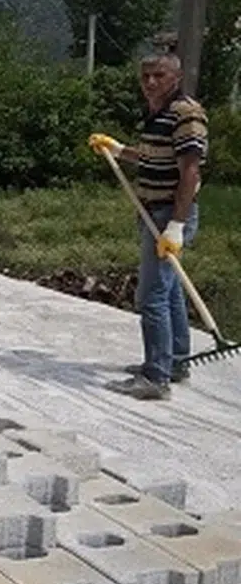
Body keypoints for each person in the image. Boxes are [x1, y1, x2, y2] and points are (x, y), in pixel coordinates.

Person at [89, 52, 209, 400]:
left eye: (159, 75)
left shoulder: (186, 114)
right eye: (145, 77)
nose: (151, 82)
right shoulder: (157, 113)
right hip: (152, 211)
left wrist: (176, 224)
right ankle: (175, 362)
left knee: (151, 295)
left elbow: (190, 172)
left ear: (176, 77)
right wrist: (118, 149)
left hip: (168, 215)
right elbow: (151, 156)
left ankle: (155, 377)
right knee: (168, 291)